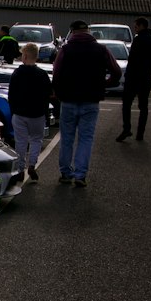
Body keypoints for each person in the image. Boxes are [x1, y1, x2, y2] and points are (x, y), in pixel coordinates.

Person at [52, 20, 121, 187]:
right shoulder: (101, 49)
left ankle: (66, 173)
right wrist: (104, 84)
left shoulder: (66, 50)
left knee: (67, 138)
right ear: (88, 31)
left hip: (68, 99)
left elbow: (57, 72)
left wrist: (58, 92)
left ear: (72, 32)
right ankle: (80, 174)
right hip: (91, 99)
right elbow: (116, 71)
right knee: (86, 138)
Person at [7, 41, 52, 183]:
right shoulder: (42, 75)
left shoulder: (17, 73)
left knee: (20, 142)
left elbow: (11, 94)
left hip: (20, 113)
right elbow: (47, 94)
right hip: (37, 114)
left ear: (25, 56)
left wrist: (13, 110)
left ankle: (20, 169)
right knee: (36, 140)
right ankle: (32, 165)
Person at [117, 17, 151, 142]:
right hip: (146, 77)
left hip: (133, 77)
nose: (135, 29)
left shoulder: (138, 40)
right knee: (143, 106)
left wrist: (128, 75)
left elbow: (132, 60)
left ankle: (127, 128)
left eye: (136, 27)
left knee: (126, 103)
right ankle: (140, 133)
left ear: (142, 26)